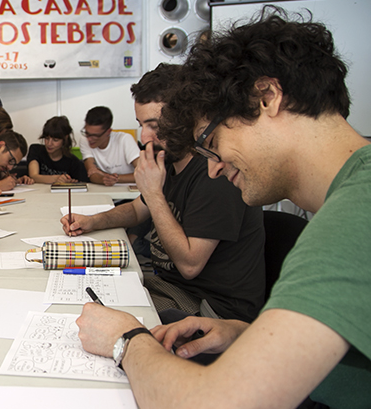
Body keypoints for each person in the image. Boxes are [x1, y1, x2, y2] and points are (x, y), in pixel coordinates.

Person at [76, 11, 369, 409]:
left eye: (213, 144)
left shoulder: (354, 218)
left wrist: (126, 339)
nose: (212, 169)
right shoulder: (352, 196)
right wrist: (240, 333)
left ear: (267, 97)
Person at [62, 63, 265, 323]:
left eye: (154, 125)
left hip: (209, 309)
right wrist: (93, 221)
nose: (145, 136)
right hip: (169, 288)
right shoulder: (169, 161)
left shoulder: (214, 172)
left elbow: (190, 266)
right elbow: (137, 209)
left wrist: (154, 193)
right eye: (141, 125)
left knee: (93, 321)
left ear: (185, 116)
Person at [79, 106, 140, 185]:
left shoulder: (124, 139)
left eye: (95, 135)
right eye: (87, 133)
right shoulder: (84, 139)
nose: (90, 139)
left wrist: (114, 178)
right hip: (106, 192)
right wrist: (104, 179)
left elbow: (143, 174)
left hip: (129, 193)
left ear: (108, 132)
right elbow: (92, 174)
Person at [27, 116, 88, 183]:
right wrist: (56, 179)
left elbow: (81, 183)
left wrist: (70, 182)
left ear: (65, 138)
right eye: (47, 138)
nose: (49, 144)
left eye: (55, 140)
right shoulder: (36, 150)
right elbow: (33, 176)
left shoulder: (73, 162)